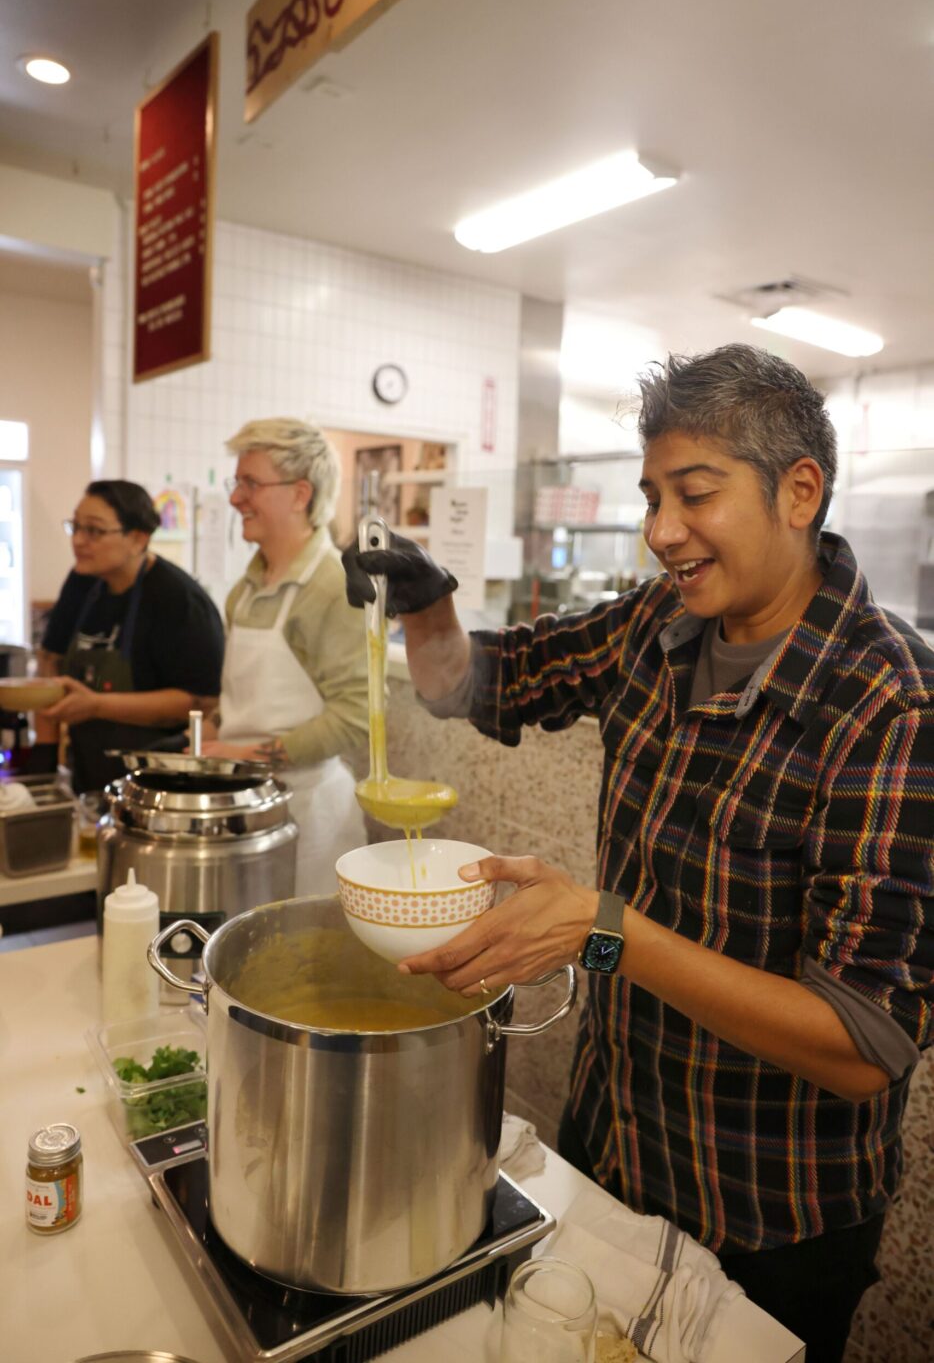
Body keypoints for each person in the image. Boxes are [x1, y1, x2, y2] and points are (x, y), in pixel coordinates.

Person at [343, 344, 934, 1363]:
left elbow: (862, 1045)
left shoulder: (890, 704)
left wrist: (599, 927)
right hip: (614, 1137)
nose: (661, 531)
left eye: (692, 494)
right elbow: (478, 684)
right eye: (651, 495)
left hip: (768, 1207)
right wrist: (427, 600)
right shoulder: (658, 624)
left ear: (799, 490)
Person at [201, 417, 368, 895]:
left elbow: (356, 716)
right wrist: (208, 735)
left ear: (300, 494)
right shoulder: (246, 590)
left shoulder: (332, 586)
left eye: (249, 483)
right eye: (238, 482)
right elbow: (241, 697)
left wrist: (244, 756)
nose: (235, 498)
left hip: (308, 814)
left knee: (302, 961)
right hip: (245, 802)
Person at [35, 479, 225, 795]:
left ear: (138, 538)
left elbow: (201, 701)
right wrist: (43, 765)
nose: (79, 541)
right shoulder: (81, 582)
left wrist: (96, 705)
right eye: (76, 527)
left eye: (94, 530)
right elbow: (49, 660)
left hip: (159, 782)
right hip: (88, 771)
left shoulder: (179, 599)